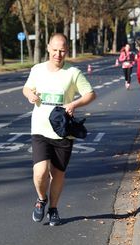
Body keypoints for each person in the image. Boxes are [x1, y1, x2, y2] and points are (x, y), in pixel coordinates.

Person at [22, 33, 96, 226]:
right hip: (39, 129)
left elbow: (90, 94)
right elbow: (26, 88)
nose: (58, 54)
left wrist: (74, 104)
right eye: (55, 50)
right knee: (40, 172)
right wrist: (30, 94)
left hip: (62, 131)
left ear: (67, 51)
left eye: (62, 50)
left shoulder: (73, 73)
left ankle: (53, 208)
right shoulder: (37, 70)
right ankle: (41, 200)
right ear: (48, 48)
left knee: (58, 174)